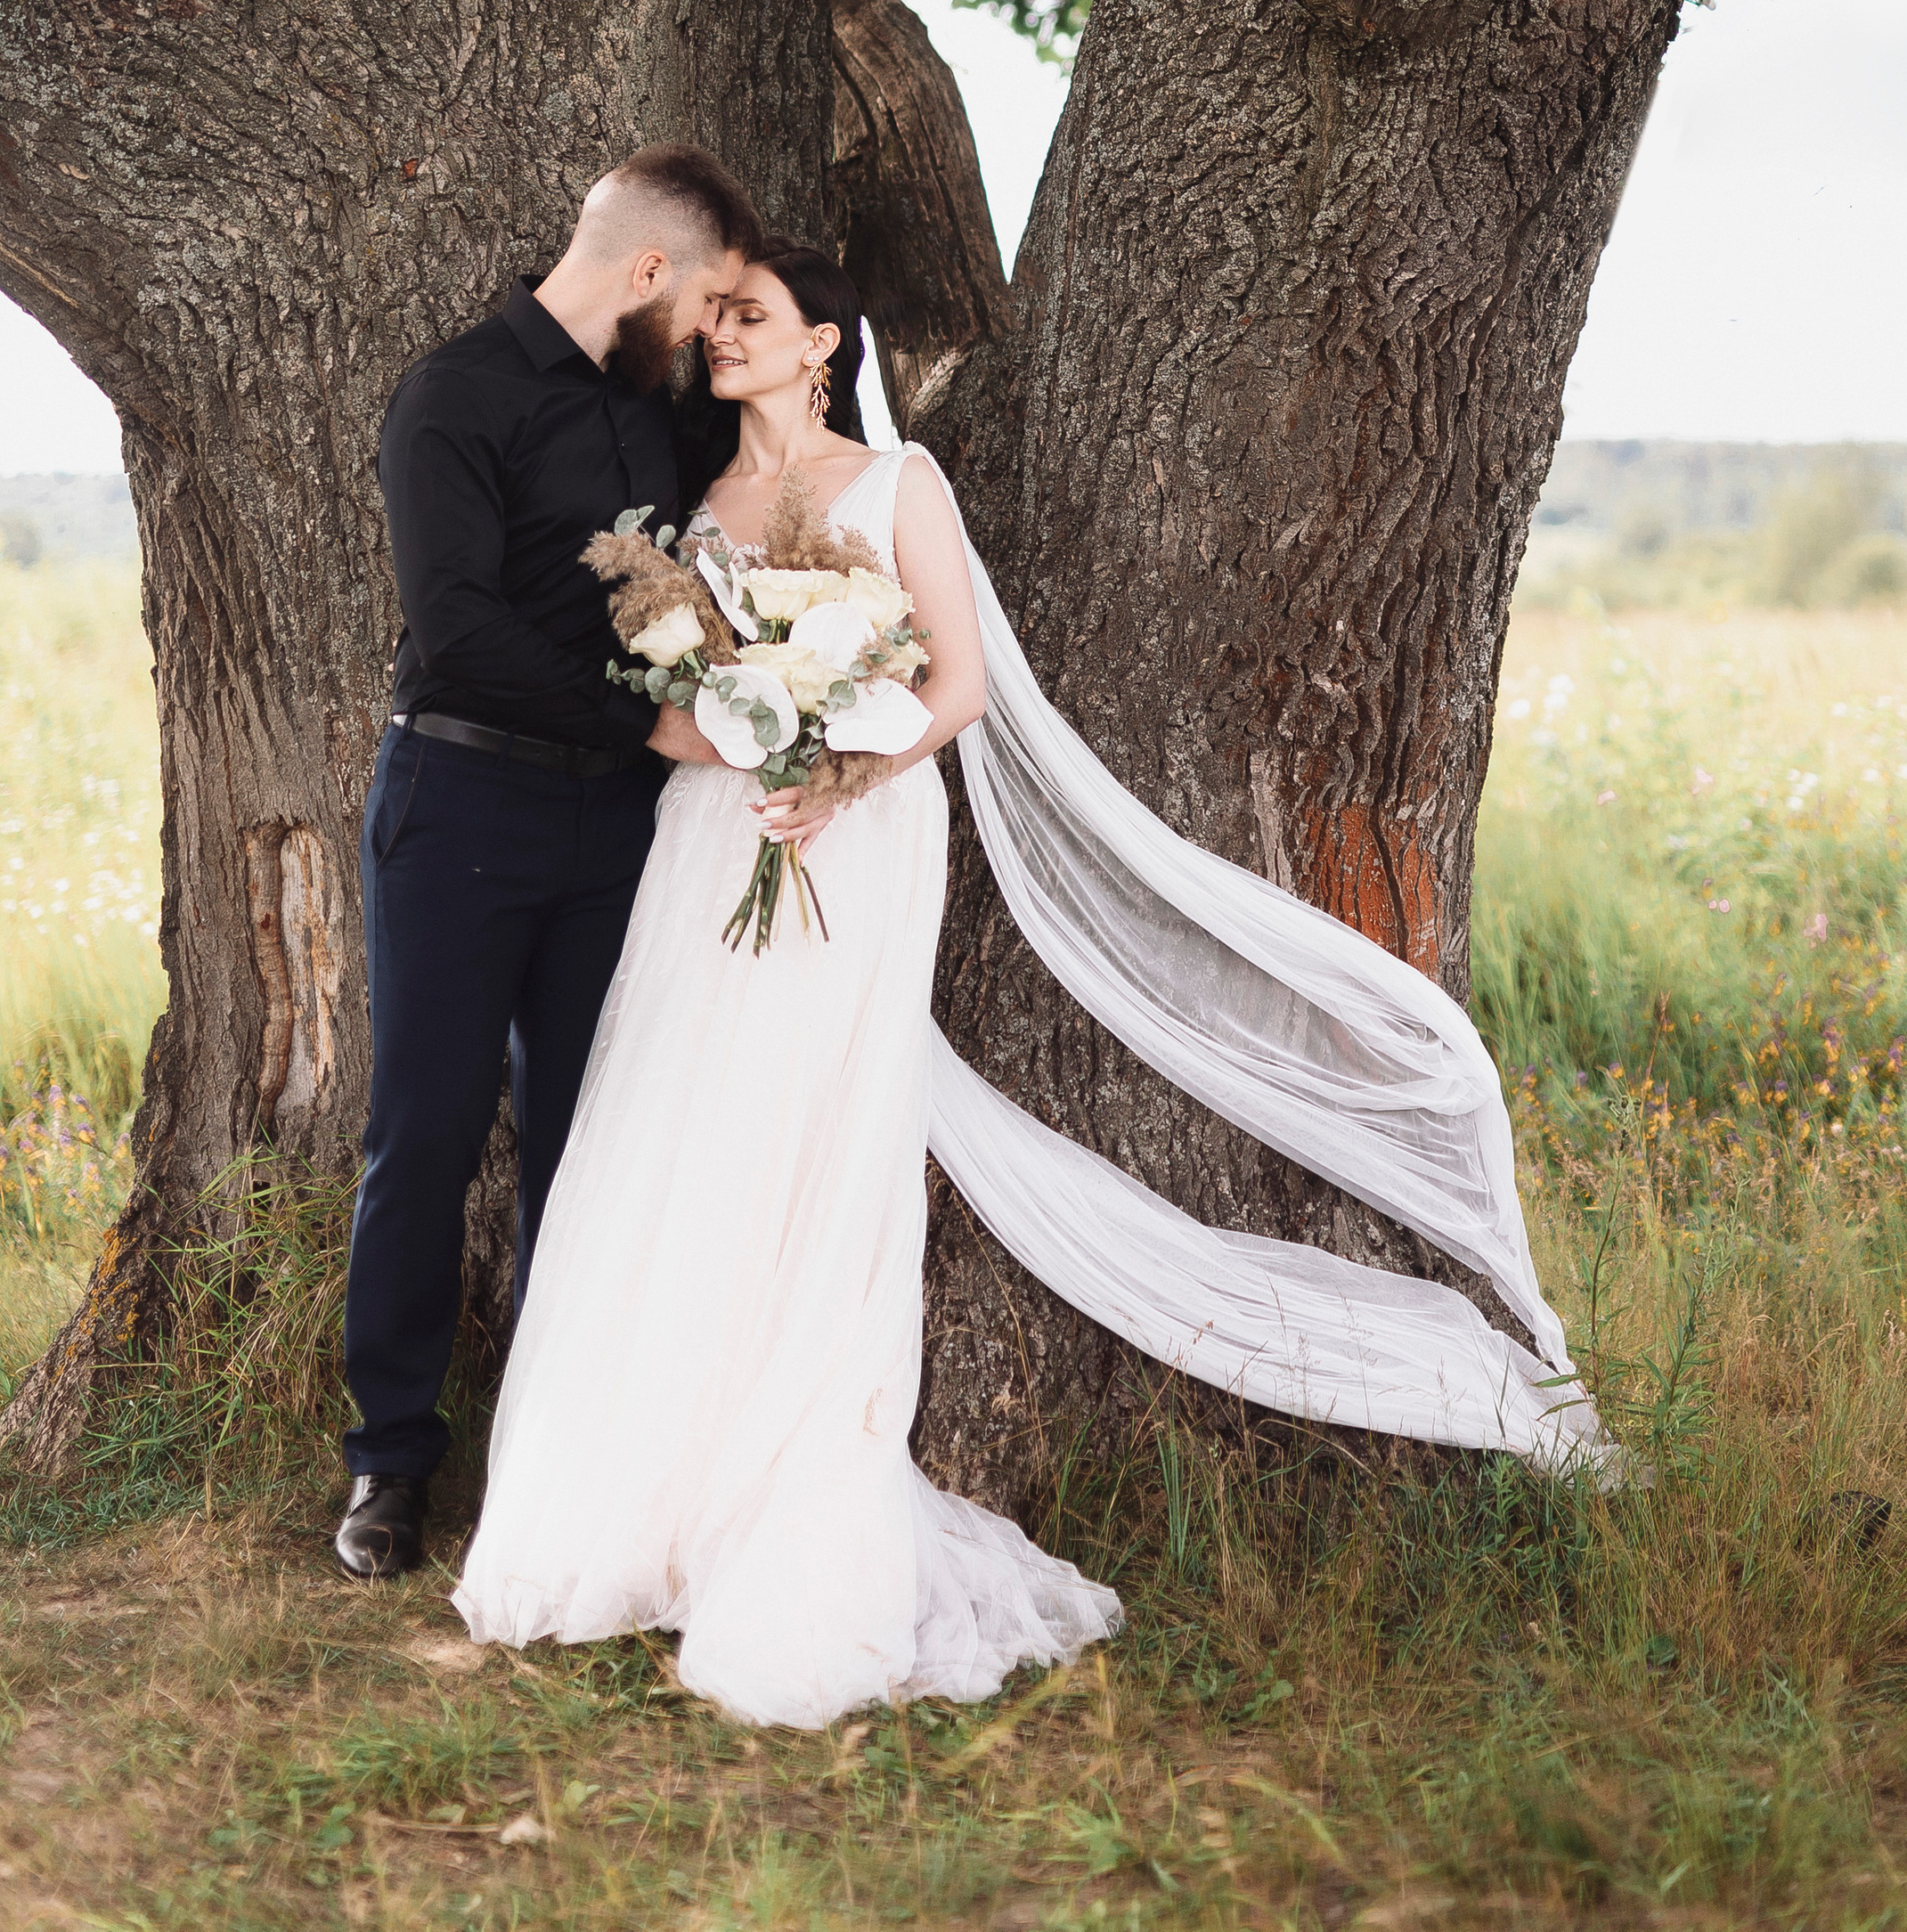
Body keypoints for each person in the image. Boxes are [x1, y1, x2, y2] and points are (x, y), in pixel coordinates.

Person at [453, 244, 1606, 1728]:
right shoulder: (692, 501)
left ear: (822, 343)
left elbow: (959, 687)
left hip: (862, 837)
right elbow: (666, 700)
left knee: (818, 1135)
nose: (719, 336)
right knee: (680, 1121)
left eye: (751, 317)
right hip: (717, 837)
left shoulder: (898, 483)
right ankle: (646, 1494)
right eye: (711, 317)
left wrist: (837, 769)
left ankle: (787, 1487)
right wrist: (743, 751)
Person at [335, 145, 761, 1584]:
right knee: (428, 1136)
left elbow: (775, 464)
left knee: (591, 1142)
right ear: (646, 270)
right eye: (703, 302)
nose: (708, 335)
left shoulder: (656, 417)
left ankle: (560, 1450)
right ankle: (389, 1462)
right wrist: (653, 722)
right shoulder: (452, 395)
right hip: (459, 805)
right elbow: (457, 630)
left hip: (618, 831)